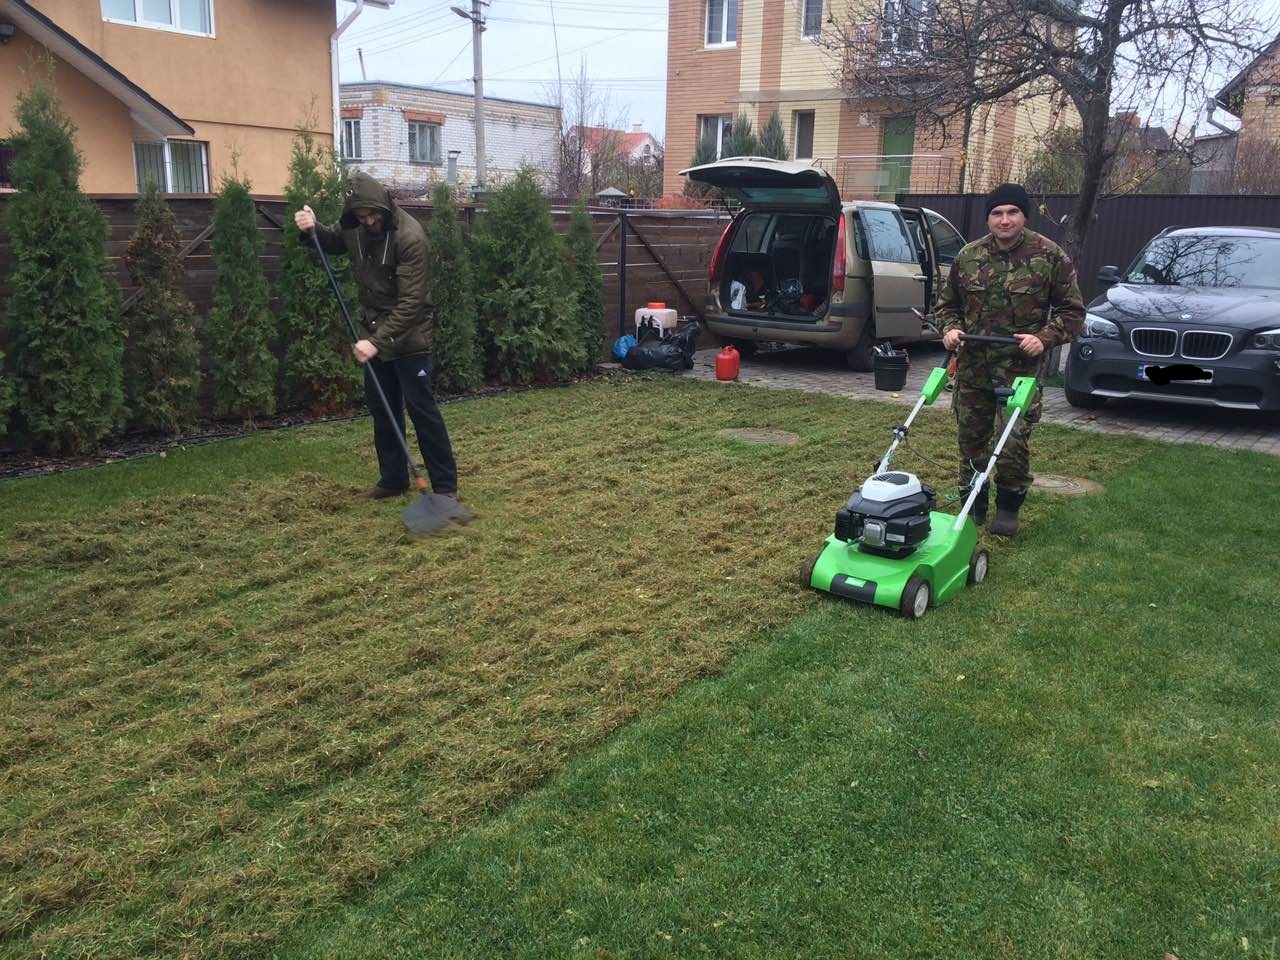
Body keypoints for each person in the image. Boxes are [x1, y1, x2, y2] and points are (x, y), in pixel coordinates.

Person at [294, 171, 460, 501]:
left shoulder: (410, 237)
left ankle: (445, 488)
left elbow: (411, 303)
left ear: (384, 207)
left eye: (373, 215)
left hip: (409, 334)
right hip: (374, 332)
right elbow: (333, 241)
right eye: (362, 216)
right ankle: (394, 480)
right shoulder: (356, 228)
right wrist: (312, 229)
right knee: (382, 408)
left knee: (420, 407)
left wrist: (375, 342)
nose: (369, 221)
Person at [934, 183, 1083, 537]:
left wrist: (1043, 338)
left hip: (1019, 373)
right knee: (971, 441)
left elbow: (1073, 312)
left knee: (1013, 440)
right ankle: (973, 504)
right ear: (989, 217)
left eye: (1012, 212)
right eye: (997, 213)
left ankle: (1009, 506)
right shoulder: (967, 257)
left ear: (1023, 216)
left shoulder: (1049, 256)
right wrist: (951, 329)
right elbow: (947, 304)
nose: (1004, 220)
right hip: (973, 371)